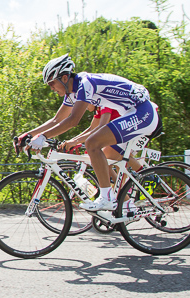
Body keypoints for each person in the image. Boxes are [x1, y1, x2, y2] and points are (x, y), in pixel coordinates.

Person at [16, 54, 160, 212]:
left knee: (92, 143)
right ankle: (125, 204)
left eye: (52, 83)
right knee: (103, 151)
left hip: (142, 112)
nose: (51, 88)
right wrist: (28, 135)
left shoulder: (86, 84)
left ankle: (108, 198)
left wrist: (43, 137)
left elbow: (73, 120)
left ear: (64, 78)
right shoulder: (73, 92)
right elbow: (57, 119)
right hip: (130, 112)